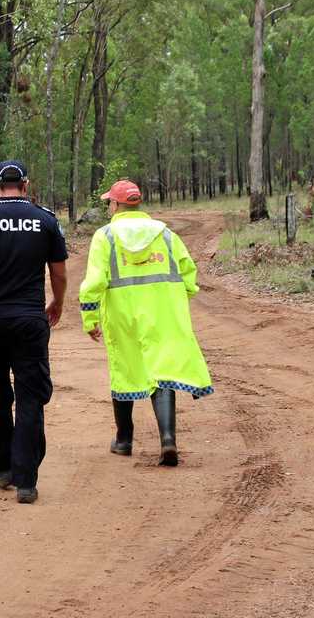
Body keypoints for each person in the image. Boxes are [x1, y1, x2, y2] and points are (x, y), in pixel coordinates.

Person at [0, 161, 68, 504]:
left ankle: (1, 468)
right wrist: (58, 302)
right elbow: (59, 270)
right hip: (31, 321)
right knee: (31, 397)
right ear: (26, 184)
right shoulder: (45, 218)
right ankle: (26, 481)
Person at [77, 180, 212, 466]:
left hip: (121, 313)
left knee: (124, 368)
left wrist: (89, 317)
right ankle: (168, 440)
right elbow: (188, 270)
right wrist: (181, 295)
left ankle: (124, 440)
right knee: (161, 371)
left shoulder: (105, 236)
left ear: (115, 205)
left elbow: (94, 282)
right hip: (163, 312)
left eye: (108, 203)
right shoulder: (165, 234)